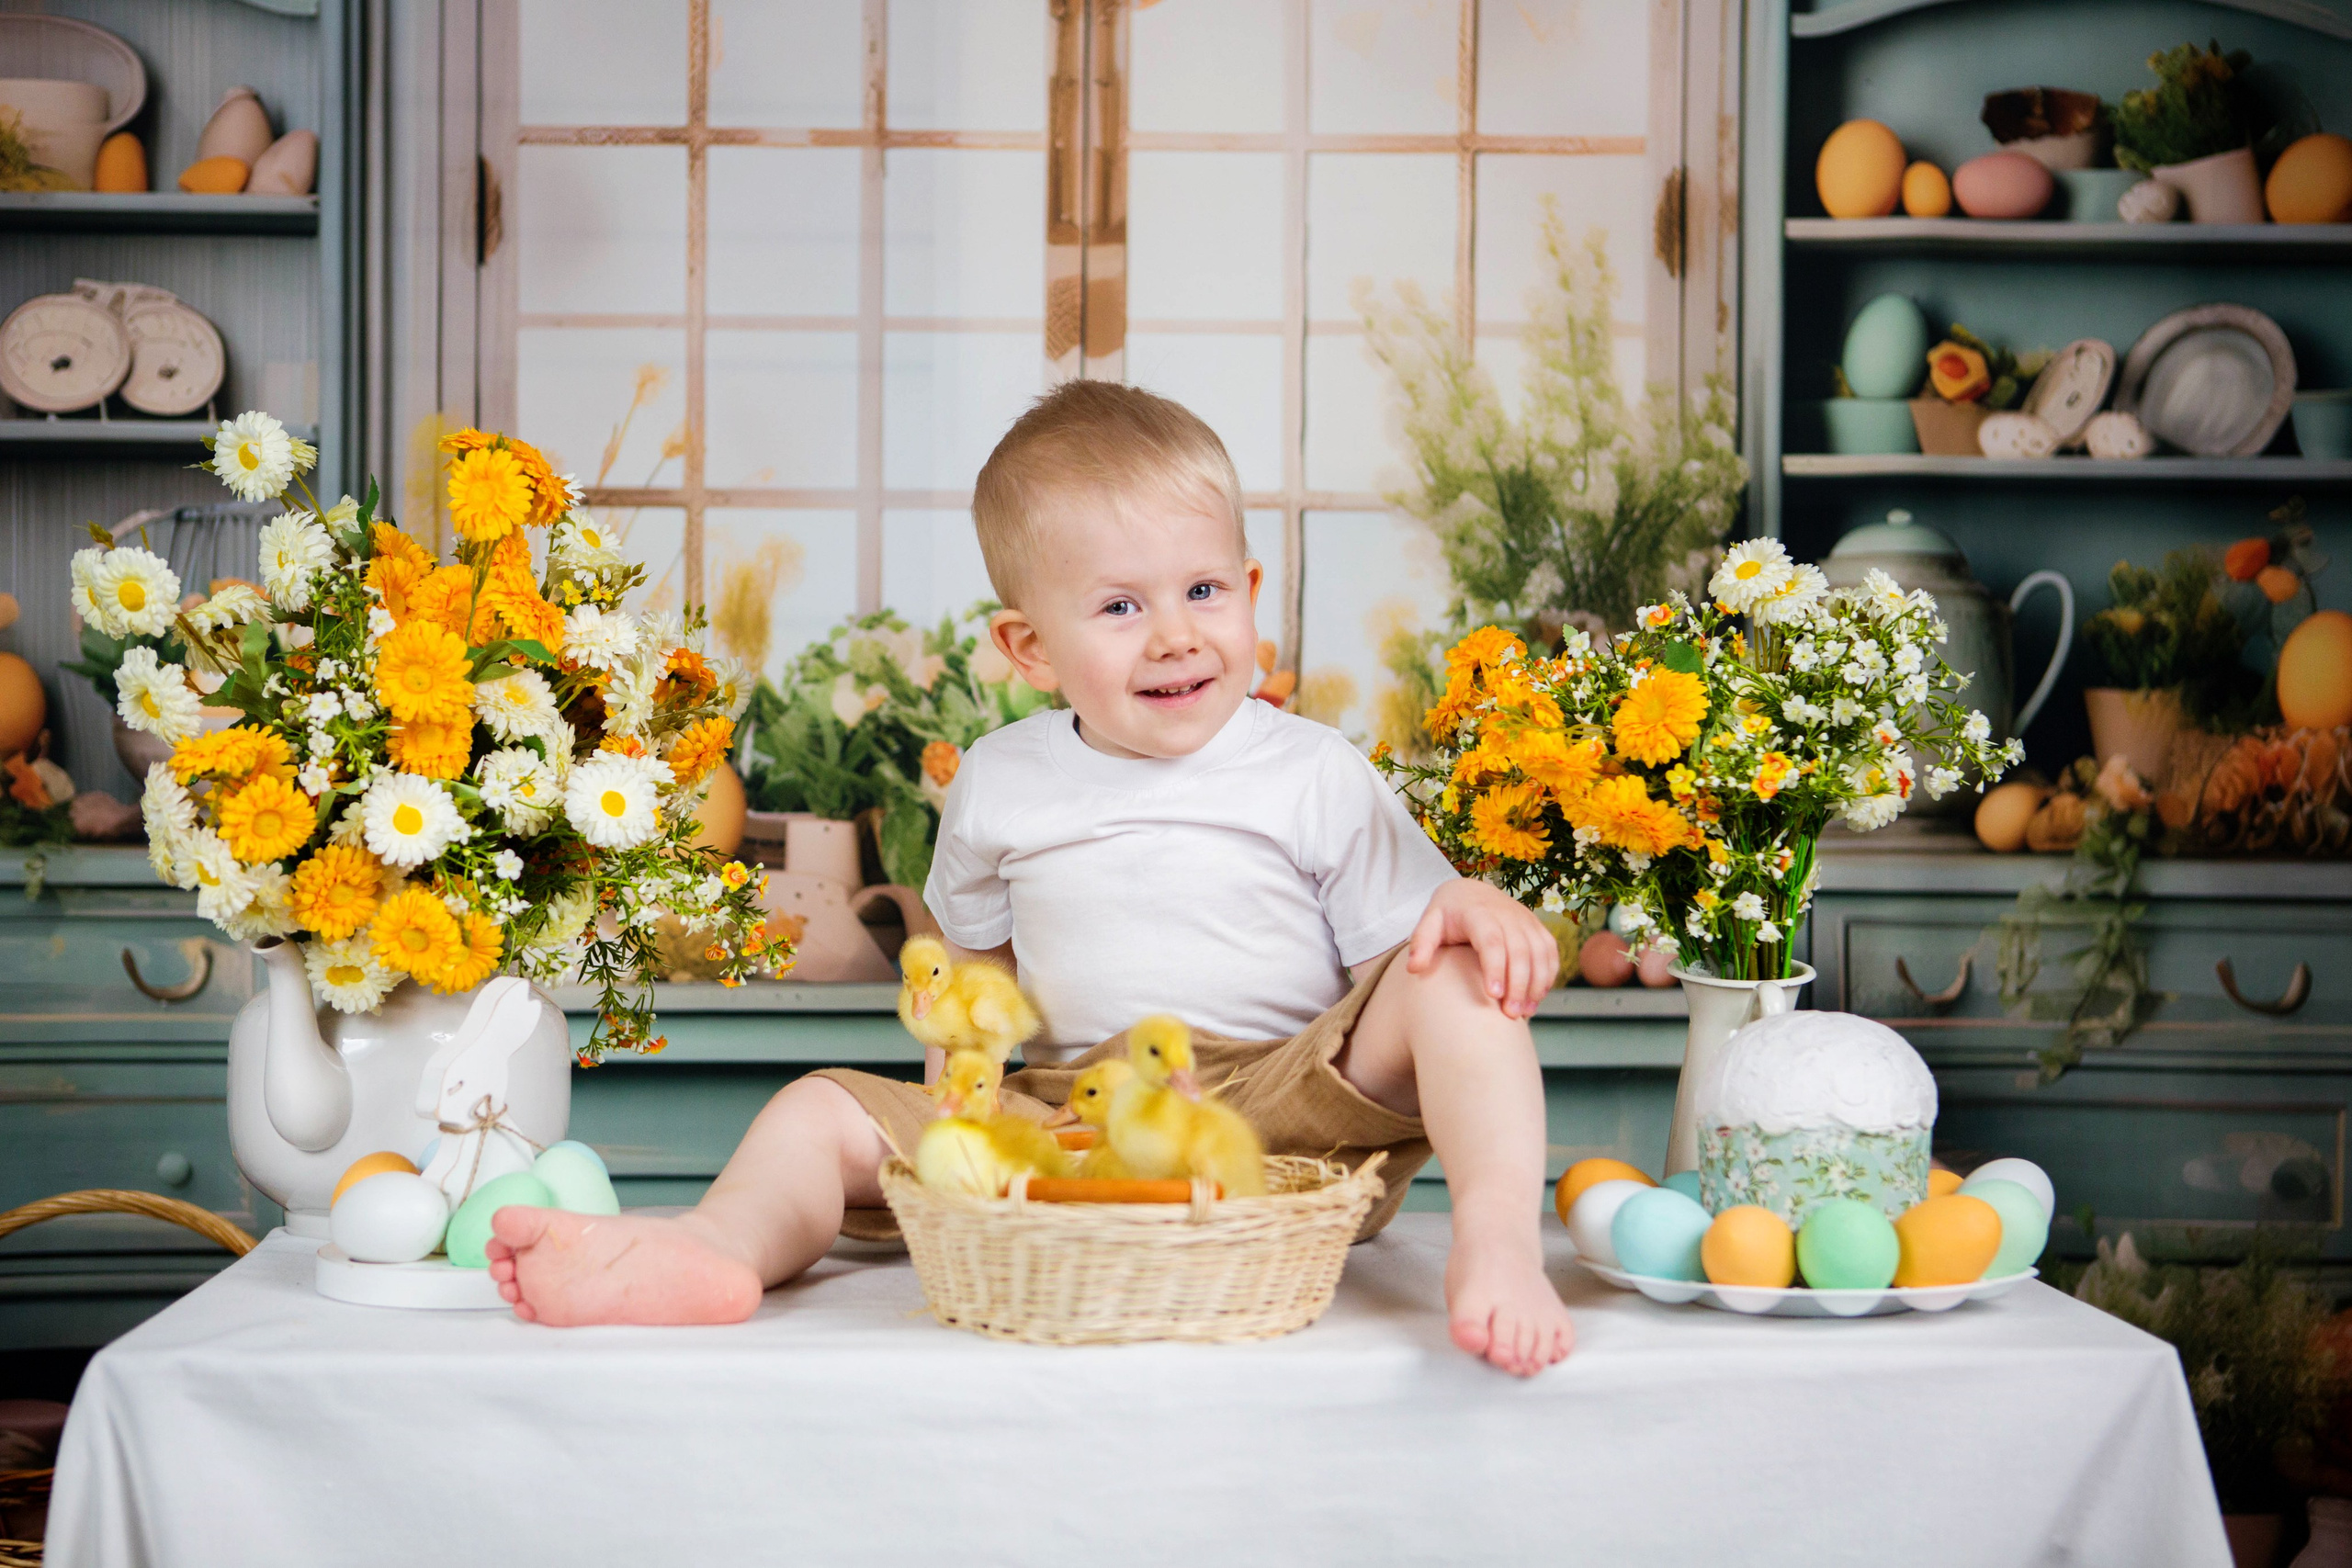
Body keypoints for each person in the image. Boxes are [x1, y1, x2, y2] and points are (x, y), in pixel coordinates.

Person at [486, 380, 1574, 1375]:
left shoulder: (1312, 771)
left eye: (1203, 590)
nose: (1176, 636)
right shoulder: (1002, 780)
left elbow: (1394, 967)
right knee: (816, 1111)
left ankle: (1495, 1245)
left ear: (1248, 590)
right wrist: (955, 1111)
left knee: (1455, 975)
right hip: (1068, 1110)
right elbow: (975, 978)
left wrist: (1462, 903)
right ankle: (719, 1245)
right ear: (1030, 648)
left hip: (1279, 1113)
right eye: (1120, 607)